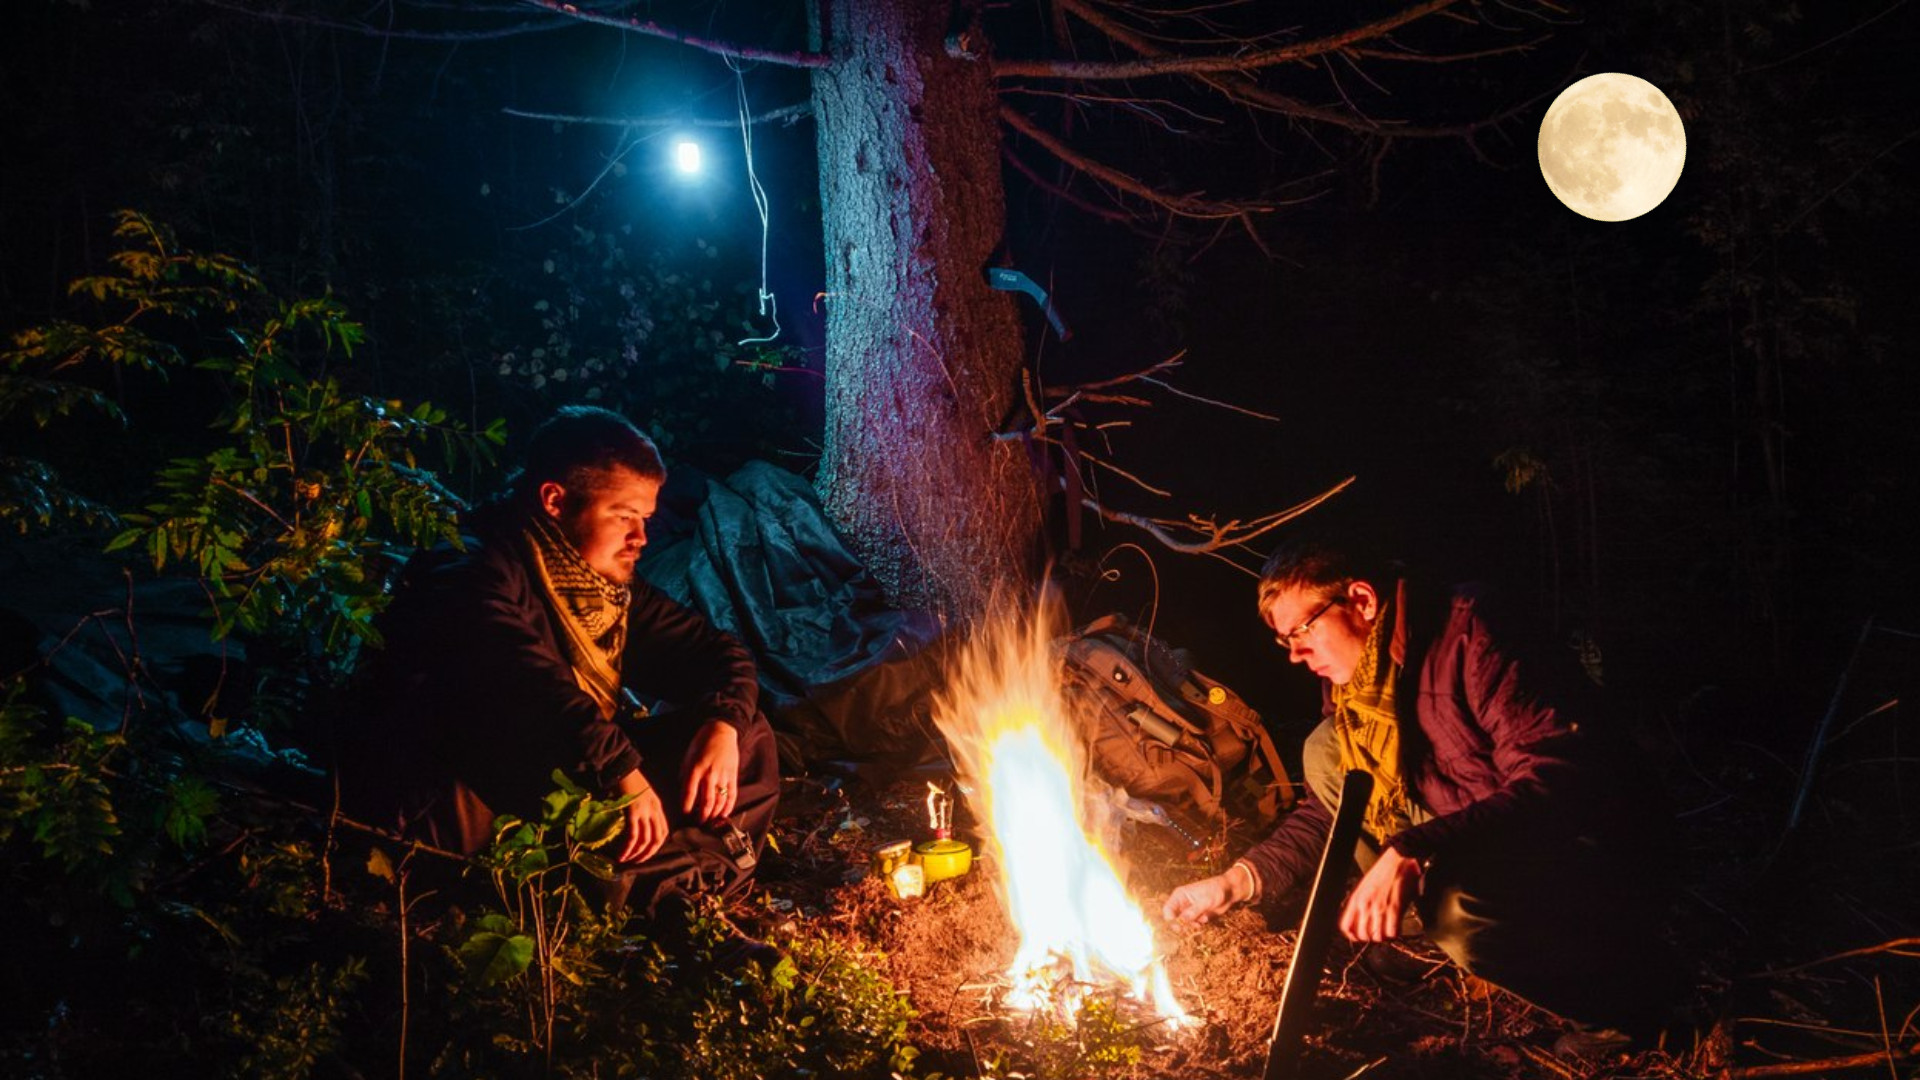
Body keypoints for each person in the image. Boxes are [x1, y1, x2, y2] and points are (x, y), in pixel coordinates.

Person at [1163, 536, 1684, 1051]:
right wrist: (1239, 880)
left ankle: (1620, 1013)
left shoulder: (1473, 631)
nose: (1296, 655)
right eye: (1285, 641)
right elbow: (1334, 810)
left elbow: (1561, 782)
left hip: (1595, 847)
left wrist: (1417, 848)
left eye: (1302, 631)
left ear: (1362, 601)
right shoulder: (1357, 680)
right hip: (1487, 822)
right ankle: (1422, 922)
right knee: (1327, 751)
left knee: (1458, 910)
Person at [343, 406, 779, 943]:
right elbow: (527, 685)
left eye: (646, 518)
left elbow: (717, 654)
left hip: (574, 769)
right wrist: (622, 770)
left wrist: (722, 725)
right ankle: (630, 895)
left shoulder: (597, 584)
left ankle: (647, 887)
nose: (641, 537)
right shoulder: (469, 567)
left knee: (748, 735)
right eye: (624, 516)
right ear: (555, 500)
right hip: (481, 786)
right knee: (483, 799)